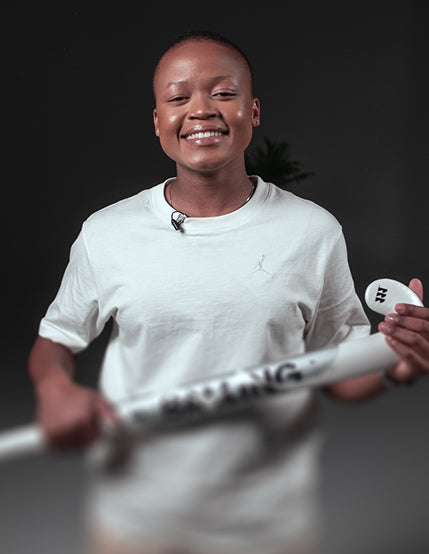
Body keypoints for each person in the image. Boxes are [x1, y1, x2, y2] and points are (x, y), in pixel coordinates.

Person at [28, 31, 429, 554]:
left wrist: (397, 363)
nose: (201, 109)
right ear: (158, 121)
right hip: (136, 516)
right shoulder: (107, 233)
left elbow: (338, 372)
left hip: (266, 522)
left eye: (223, 93)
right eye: (179, 97)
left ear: (253, 111)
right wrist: (54, 388)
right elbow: (55, 340)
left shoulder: (313, 232)